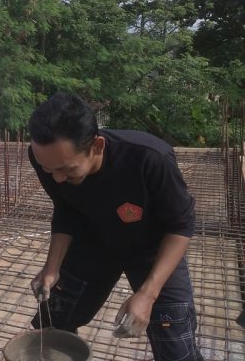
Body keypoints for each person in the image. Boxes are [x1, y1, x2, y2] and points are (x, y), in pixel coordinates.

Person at [27, 93, 204, 360]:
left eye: (67, 169)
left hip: (152, 249)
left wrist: (147, 294)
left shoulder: (149, 158)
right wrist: (51, 268)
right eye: (48, 169)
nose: (58, 178)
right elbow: (66, 209)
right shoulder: (48, 160)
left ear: (97, 146)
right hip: (94, 240)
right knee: (54, 321)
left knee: (175, 346)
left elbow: (180, 226)